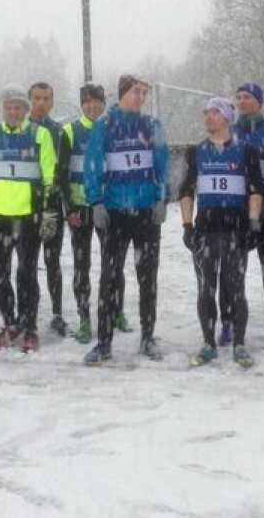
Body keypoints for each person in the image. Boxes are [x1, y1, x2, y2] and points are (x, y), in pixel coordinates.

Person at [82, 75, 169, 366]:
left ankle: (147, 336)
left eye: (144, 93)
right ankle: (104, 341)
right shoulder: (105, 125)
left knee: (148, 276)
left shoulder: (151, 125)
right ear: (121, 94)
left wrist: (161, 197)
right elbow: (92, 163)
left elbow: (162, 163)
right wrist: (95, 200)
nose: (140, 97)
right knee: (110, 277)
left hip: (145, 211)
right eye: (135, 92)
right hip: (115, 211)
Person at [0, 86, 57, 353]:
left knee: (27, 274)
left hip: (28, 216)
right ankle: (10, 323)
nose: (13, 112)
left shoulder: (40, 134)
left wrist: (47, 212)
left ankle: (29, 325)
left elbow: (49, 178)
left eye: (18, 107)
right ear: (2, 109)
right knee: (0, 275)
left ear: (26, 110)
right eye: (8, 107)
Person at [180, 97, 264, 367]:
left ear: (227, 117)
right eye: (205, 113)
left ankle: (239, 344)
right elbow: (185, 191)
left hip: (235, 230)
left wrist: (253, 223)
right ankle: (208, 343)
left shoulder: (245, 150)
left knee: (236, 288)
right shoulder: (196, 151)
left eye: (214, 113)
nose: (208, 118)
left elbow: (256, 189)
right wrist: (187, 226)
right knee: (206, 288)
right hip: (205, 230)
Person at [57, 82, 128, 344]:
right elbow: (61, 174)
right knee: (81, 264)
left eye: (97, 101)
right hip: (80, 208)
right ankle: (85, 317)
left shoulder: (113, 129)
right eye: (88, 102)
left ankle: (116, 311)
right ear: (81, 104)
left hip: (108, 207)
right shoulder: (69, 131)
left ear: (104, 103)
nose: (93, 106)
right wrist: (69, 208)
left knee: (114, 264)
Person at [231, 81, 264, 345]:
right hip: (237, 212)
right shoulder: (229, 132)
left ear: (259, 102)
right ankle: (230, 320)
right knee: (233, 269)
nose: (242, 101)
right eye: (238, 97)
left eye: (248, 97)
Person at [28, 82, 67, 336]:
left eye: (46, 98)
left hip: (52, 206)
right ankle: (29, 311)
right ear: (30, 100)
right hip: (25, 206)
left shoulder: (59, 132)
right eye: (37, 98)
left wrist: (65, 204)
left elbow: (63, 171)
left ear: (52, 102)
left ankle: (57, 313)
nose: (41, 103)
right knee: (27, 264)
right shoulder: (21, 130)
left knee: (53, 261)